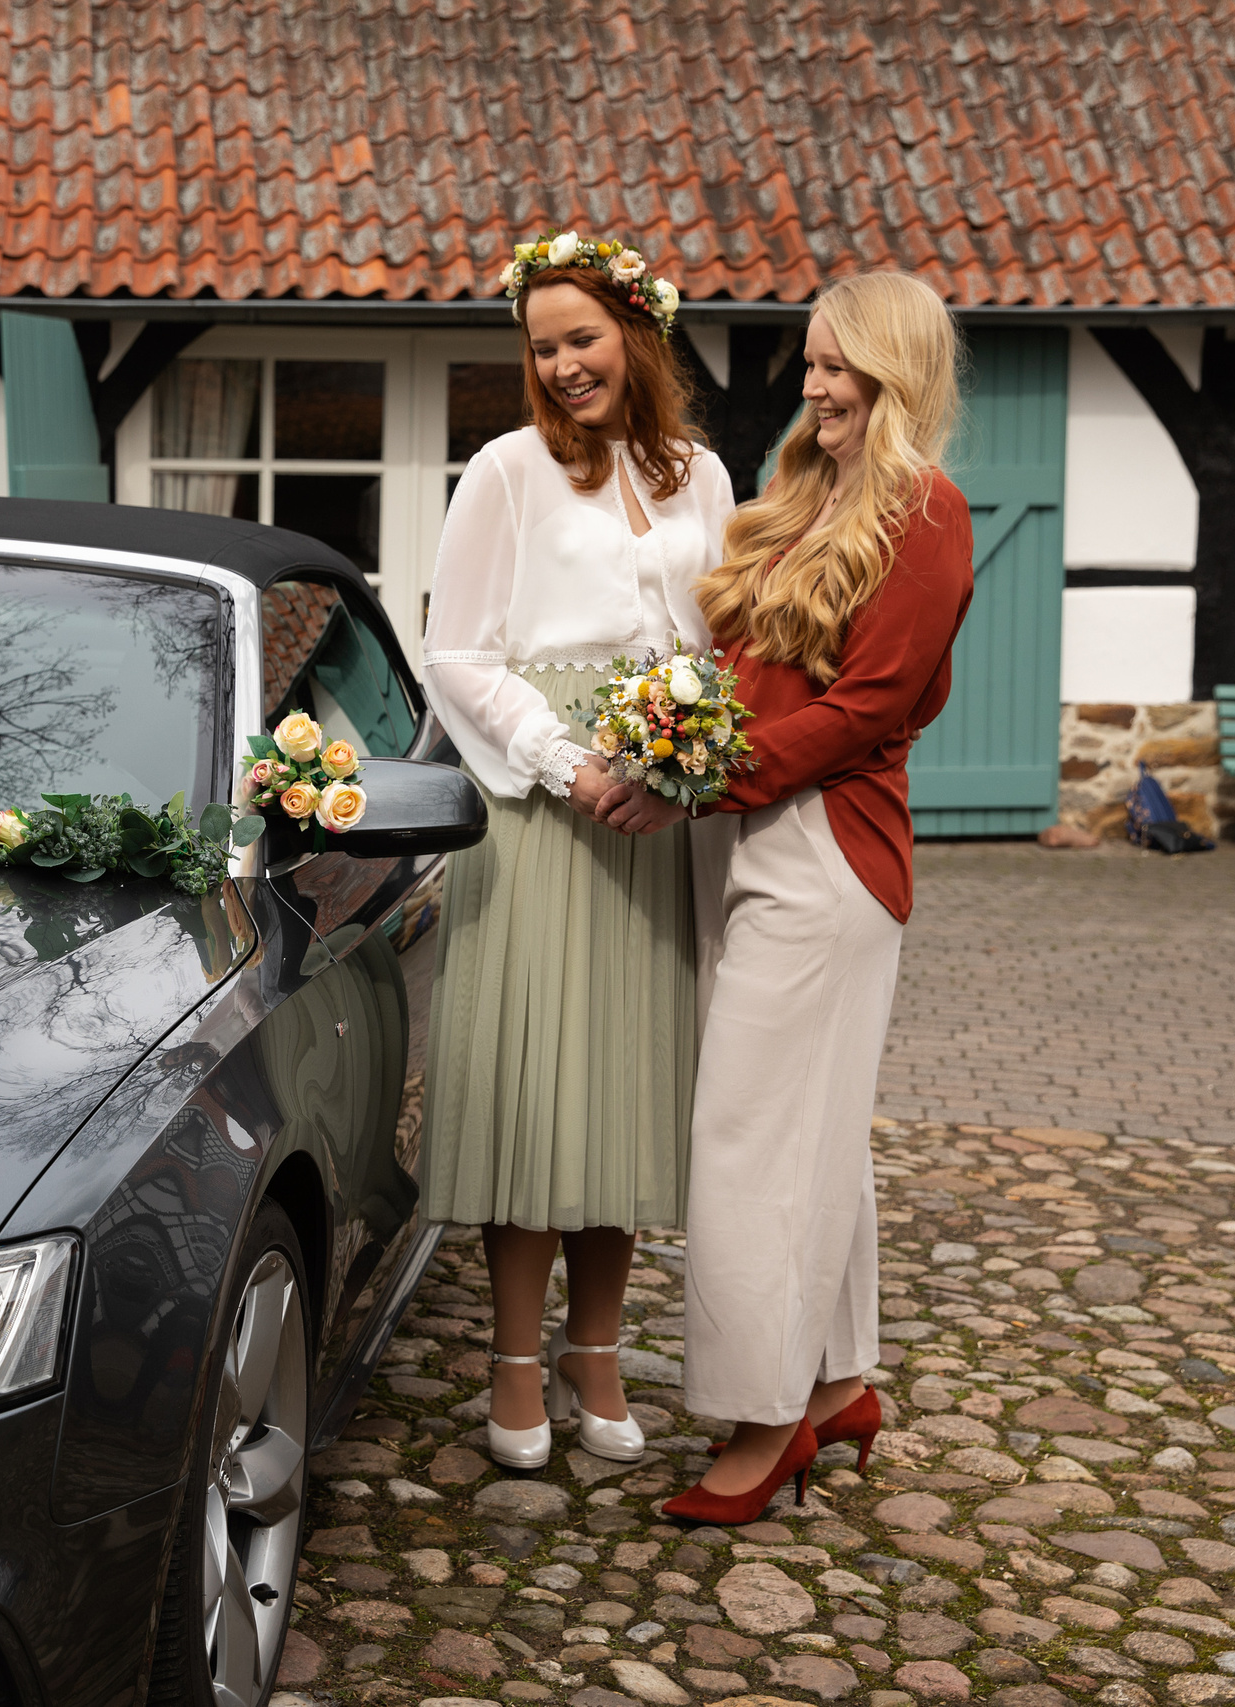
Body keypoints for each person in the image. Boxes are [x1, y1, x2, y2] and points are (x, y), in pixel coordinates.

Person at [610, 270, 974, 1524]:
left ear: (896, 372)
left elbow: (865, 708)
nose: (813, 385)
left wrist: (692, 782)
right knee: (806, 1133)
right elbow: (742, 671)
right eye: (810, 363)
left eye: (838, 367)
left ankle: (763, 1425)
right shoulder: (804, 493)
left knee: (748, 1139)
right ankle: (832, 1386)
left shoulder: (926, 513)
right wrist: (667, 742)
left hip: (825, 851)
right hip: (750, 834)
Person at [418, 232, 734, 1471]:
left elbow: (718, 641)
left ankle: (595, 1356)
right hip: (546, 810)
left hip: (659, 823)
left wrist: (691, 755)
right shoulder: (504, 471)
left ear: (636, 336)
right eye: (542, 348)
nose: (560, 367)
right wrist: (568, 760)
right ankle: (509, 1363)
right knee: (536, 1101)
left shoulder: (702, 476)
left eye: (582, 340)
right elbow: (454, 653)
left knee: (623, 1093)